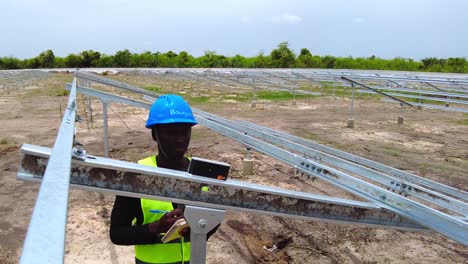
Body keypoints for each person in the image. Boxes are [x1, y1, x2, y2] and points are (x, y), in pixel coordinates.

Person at [110, 94, 215, 264]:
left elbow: (211, 220)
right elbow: (117, 233)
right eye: (171, 133)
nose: (180, 139)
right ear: (155, 134)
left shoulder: (199, 174)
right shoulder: (137, 176)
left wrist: (200, 231)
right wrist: (155, 228)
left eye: (185, 131)